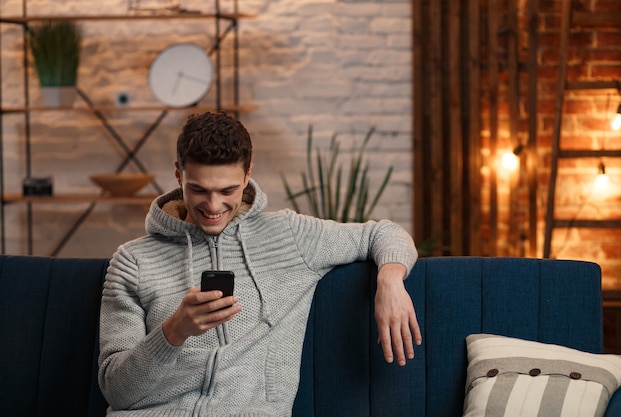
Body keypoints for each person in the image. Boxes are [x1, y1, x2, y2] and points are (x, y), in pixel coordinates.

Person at [98, 111, 421, 416]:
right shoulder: (132, 261)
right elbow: (117, 391)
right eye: (198, 190)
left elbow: (384, 233)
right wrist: (174, 331)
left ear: (248, 174)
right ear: (179, 174)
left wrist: (390, 281)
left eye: (227, 190)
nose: (213, 206)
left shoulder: (289, 237)